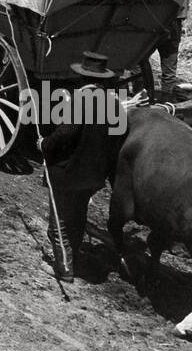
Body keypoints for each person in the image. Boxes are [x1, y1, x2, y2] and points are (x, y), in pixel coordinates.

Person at [40, 53, 146, 283]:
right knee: (77, 220)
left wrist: (44, 144)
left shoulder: (80, 102)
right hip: (94, 178)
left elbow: (64, 134)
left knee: (57, 225)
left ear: (80, 78)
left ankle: (64, 270)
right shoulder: (114, 107)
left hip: (67, 175)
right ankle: (73, 260)